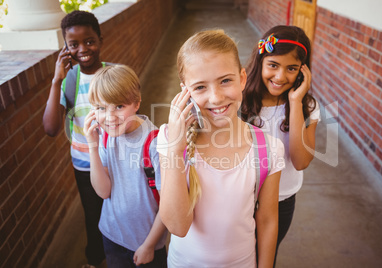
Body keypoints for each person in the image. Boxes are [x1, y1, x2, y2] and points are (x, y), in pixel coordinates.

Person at [157, 29, 285, 268]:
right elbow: (177, 227)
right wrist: (175, 151)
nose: (215, 98)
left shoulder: (269, 148)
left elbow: (267, 220)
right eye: (200, 87)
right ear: (185, 91)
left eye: (225, 81)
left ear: (243, 78)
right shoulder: (169, 138)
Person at [241, 25, 321, 266]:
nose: (280, 76)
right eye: (273, 65)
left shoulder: (307, 107)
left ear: (302, 71)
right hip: (239, 199)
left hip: (281, 201)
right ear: (261, 61)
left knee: (265, 257)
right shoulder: (239, 101)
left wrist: (295, 103)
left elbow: (300, 161)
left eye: (291, 69)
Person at [83, 65, 168, 268]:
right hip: (111, 235)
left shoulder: (155, 143)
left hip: (147, 242)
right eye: (101, 108)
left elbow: (168, 203)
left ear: (136, 103)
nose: (110, 117)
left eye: (119, 106)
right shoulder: (103, 137)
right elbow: (104, 192)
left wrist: (149, 245)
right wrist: (92, 147)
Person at [42, 10, 108, 268]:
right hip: (85, 164)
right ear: (66, 48)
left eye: (89, 41)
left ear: (100, 40)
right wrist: (56, 80)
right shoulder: (68, 81)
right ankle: (94, 260)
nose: (83, 48)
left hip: (116, 161)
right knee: (93, 216)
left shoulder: (113, 74)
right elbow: (50, 128)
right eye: (74, 44)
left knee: (121, 211)